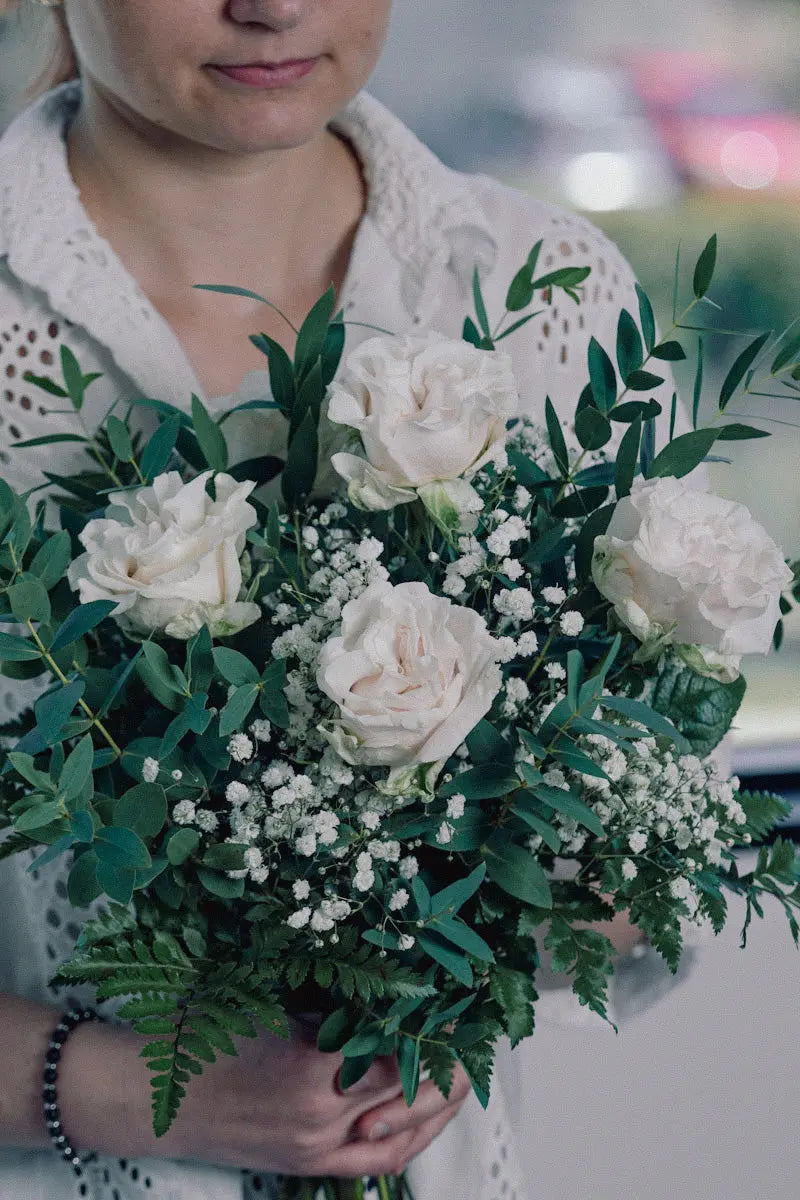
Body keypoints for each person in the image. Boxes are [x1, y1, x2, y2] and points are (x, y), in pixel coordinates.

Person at [0, 4, 687, 1200]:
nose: (271, 4)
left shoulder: (547, 296)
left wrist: (449, 938)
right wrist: (139, 1090)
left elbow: (660, 843)